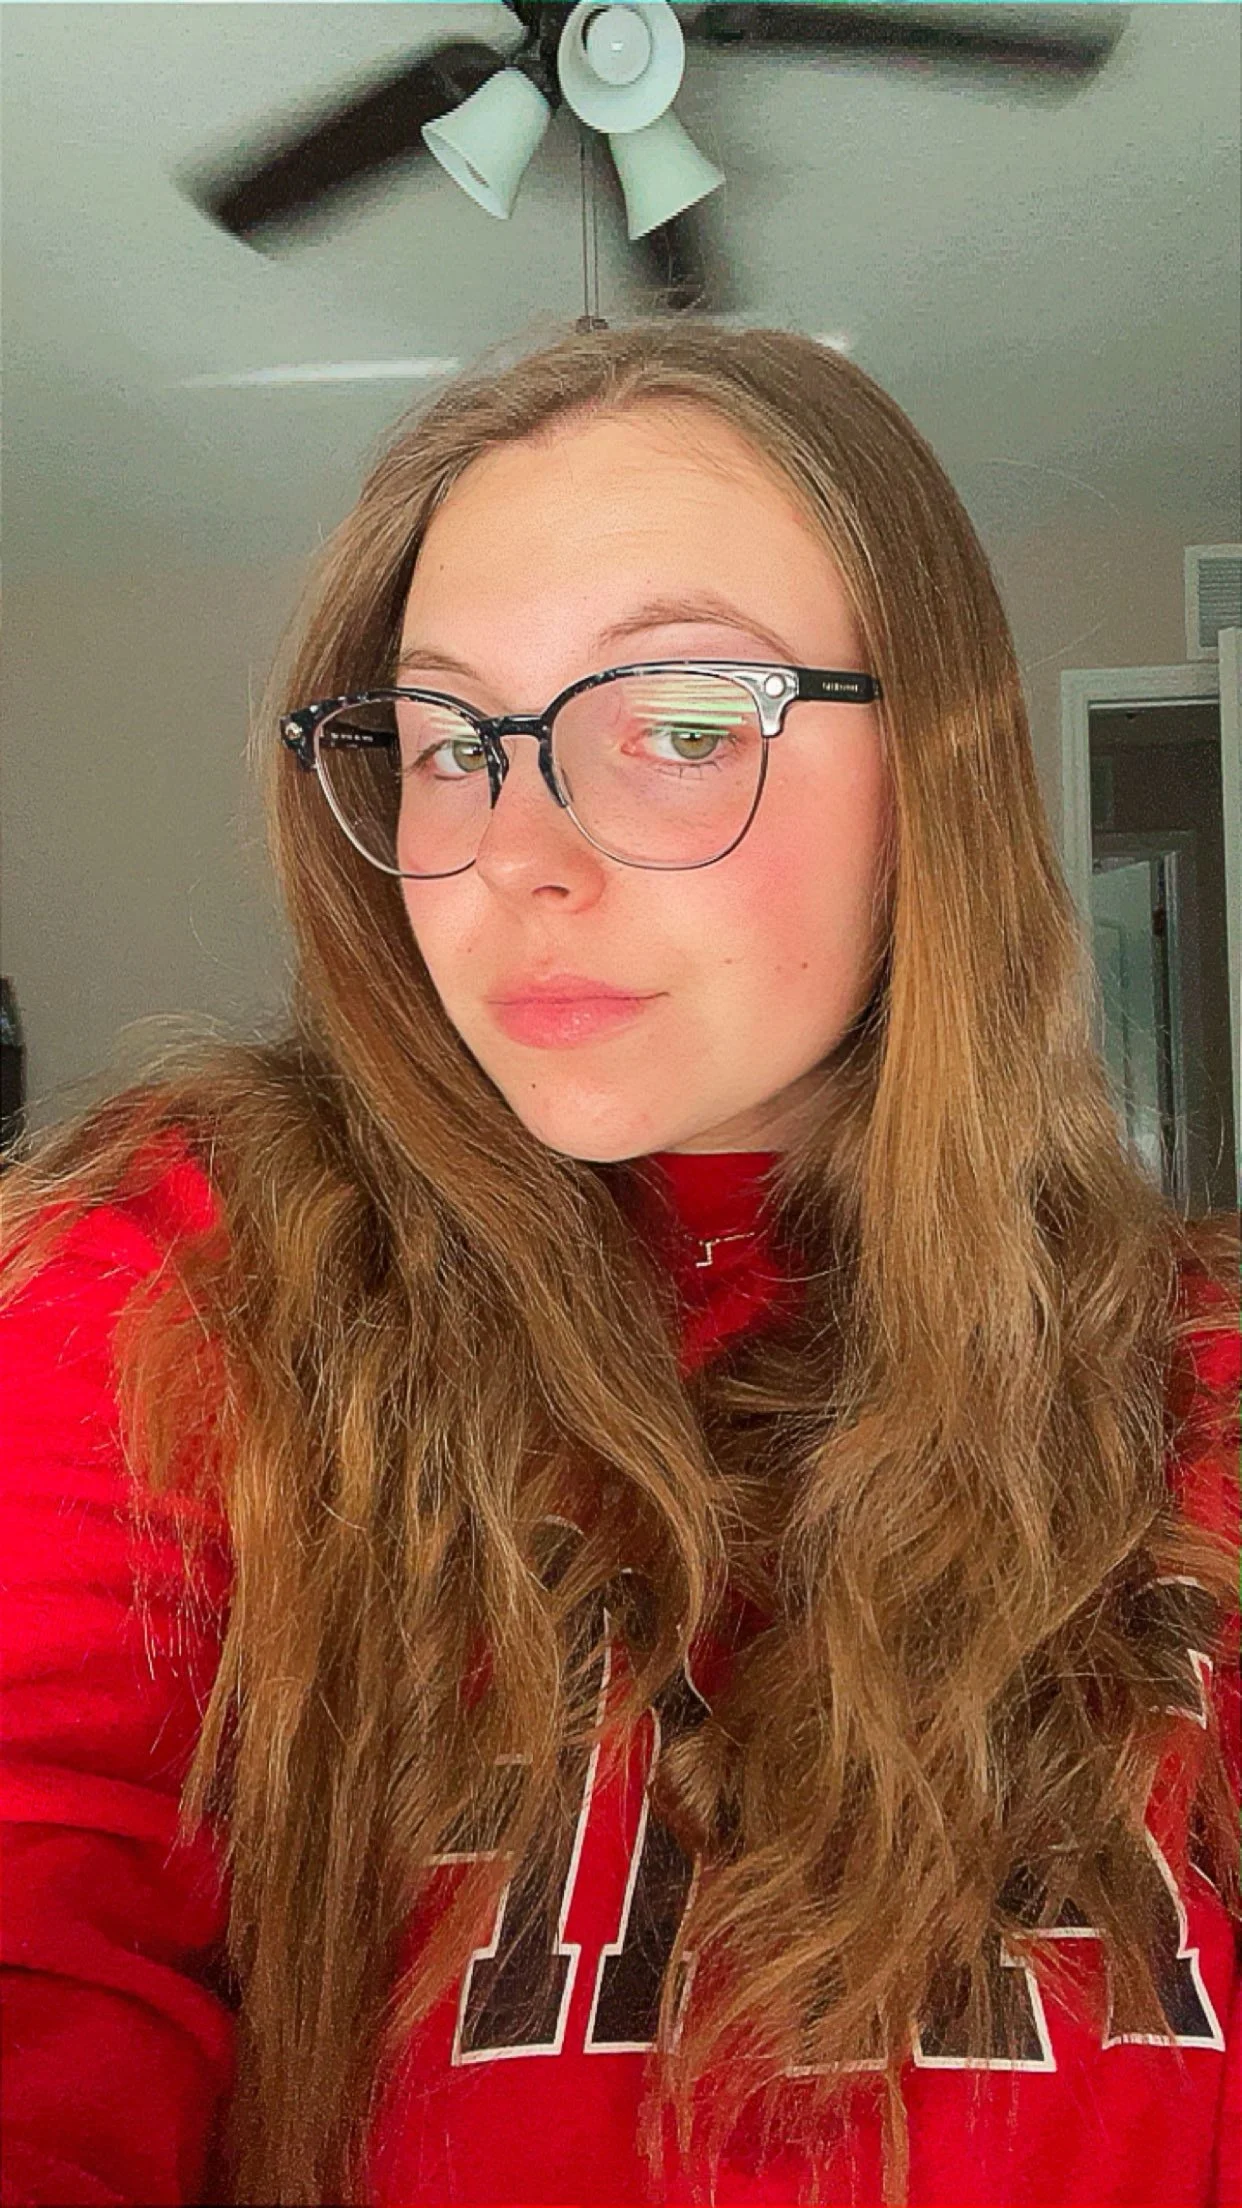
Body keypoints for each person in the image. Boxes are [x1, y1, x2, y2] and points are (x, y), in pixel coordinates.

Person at [1, 317, 1238, 2208]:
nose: (512, 854)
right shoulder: (195, 1284)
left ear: (940, 771)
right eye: (444, 741)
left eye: (676, 723)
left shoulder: (1199, 1385)